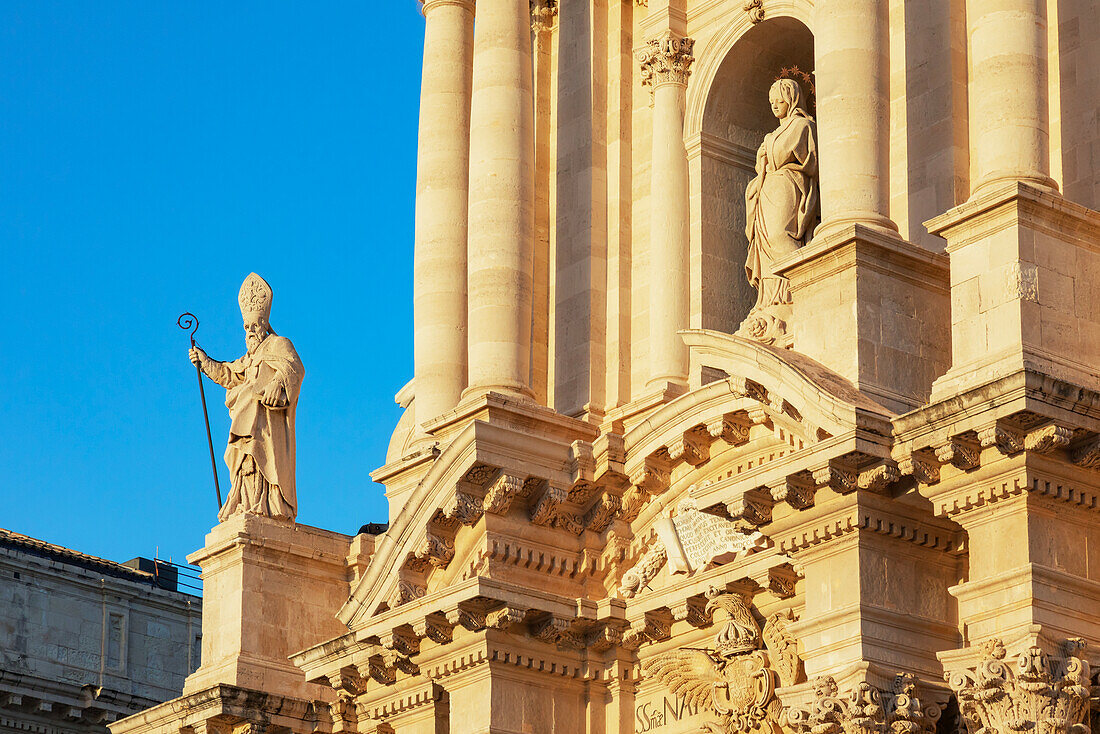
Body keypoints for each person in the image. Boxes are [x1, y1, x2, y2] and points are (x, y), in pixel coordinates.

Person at [189, 273, 304, 523]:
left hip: (269, 426)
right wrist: (205, 361)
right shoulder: (249, 358)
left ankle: (269, 503)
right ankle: (244, 500)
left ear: (264, 324)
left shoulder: (279, 344)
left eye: (255, 325)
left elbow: (294, 368)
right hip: (250, 424)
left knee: (250, 397)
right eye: (247, 327)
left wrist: (277, 383)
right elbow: (229, 374)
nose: (250, 331)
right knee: (245, 442)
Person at [739, 78, 819, 341]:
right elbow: (766, 160)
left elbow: (789, 156)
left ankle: (795, 293)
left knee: (779, 236)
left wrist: (767, 153)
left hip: (788, 184)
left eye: (779, 100)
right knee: (765, 244)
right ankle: (771, 299)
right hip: (768, 188)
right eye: (771, 101)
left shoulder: (802, 125)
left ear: (792, 99)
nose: (775, 105)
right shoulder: (773, 134)